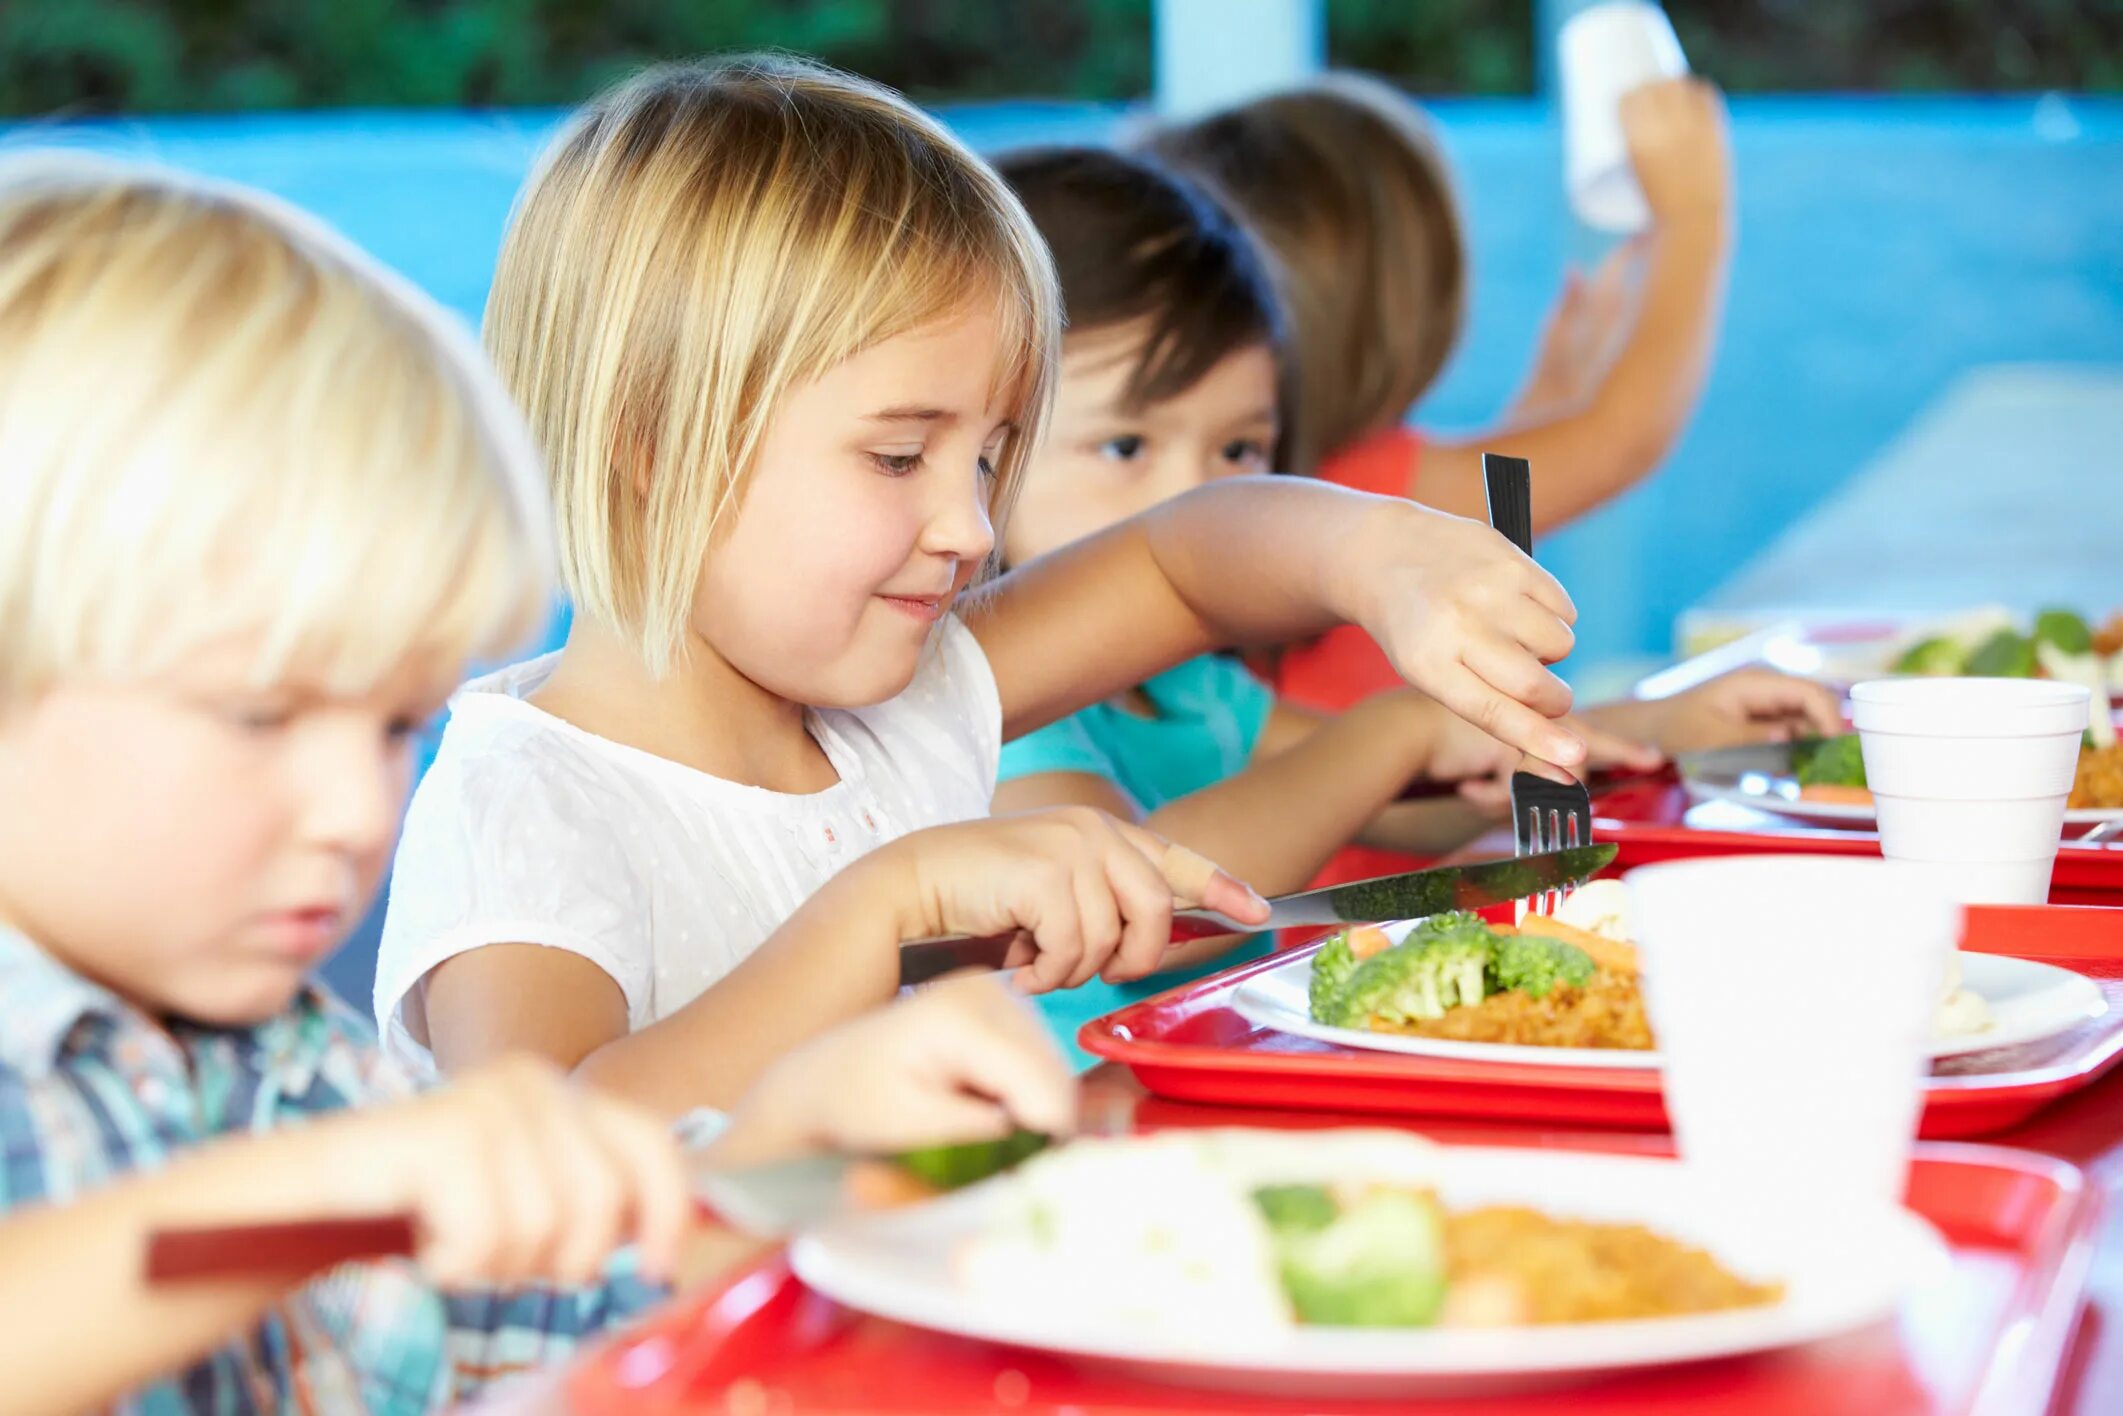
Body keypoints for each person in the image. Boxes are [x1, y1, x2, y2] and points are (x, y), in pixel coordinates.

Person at [0, 154, 1075, 1416]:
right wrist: (324, 1192)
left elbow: (542, 1318)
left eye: (394, 724)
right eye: (260, 715)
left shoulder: (286, 1063)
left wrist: (790, 1158)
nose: (360, 813)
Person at [375, 56, 1583, 1116]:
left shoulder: (901, 705)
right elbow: (548, 1150)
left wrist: (1379, 557)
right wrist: (885, 905)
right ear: (648, 443)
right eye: (898, 456)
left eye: (992, 457)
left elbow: (1184, 563)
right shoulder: (523, 804)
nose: (967, 525)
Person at [987, 145, 1839, 1055]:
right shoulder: (993, 712)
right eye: (1125, 448)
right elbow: (1153, 915)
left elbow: (1400, 798)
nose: (1198, 496)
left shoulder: (1189, 688)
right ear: (982, 446)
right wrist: (1393, 729)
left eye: (1238, 451)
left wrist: (1652, 728)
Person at [1144, 72, 1735, 713]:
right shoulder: (1354, 490)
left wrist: (1553, 393)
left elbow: (1493, 503)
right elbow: (1622, 440)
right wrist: (1695, 216)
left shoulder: (1273, 487)